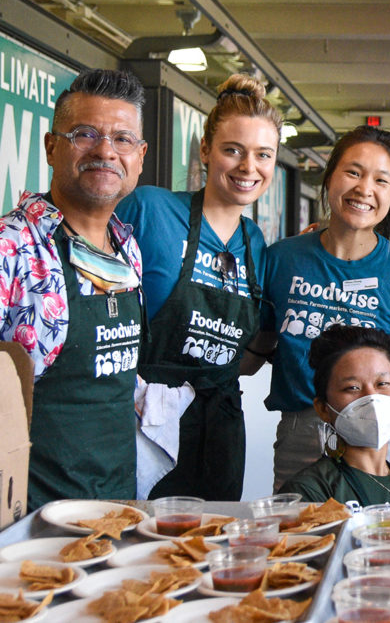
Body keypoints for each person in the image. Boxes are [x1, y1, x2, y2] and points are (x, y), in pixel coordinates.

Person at [0, 69, 148, 509]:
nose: (105, 151)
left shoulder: (127, 249)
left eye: (123, 139)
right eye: (85, 134)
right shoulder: (2, 248)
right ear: (50, 147)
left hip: (115, 503)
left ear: (140, 156)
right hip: (25, 514)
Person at [259, 125, 390, 508]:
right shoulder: (281, 259)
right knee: (303, 548)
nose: (365, 189)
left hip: (385, 443)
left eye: (382, 179)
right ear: (329, 177)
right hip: (303, 435)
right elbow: (257, 344)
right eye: (353, 172)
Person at [114, 74, 280, 500]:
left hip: (220, 429)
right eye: (233, 150)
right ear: (205, 150)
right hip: (142, 419)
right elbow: (75, 254)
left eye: (264, 155)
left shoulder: (255, 244)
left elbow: (246, 355)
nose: (249, 167)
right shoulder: (151, 210)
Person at [279, 325, 390, 508]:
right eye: (352, 387)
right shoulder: (308, 492)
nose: (372, 397)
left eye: (383, 383)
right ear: (323, 408)